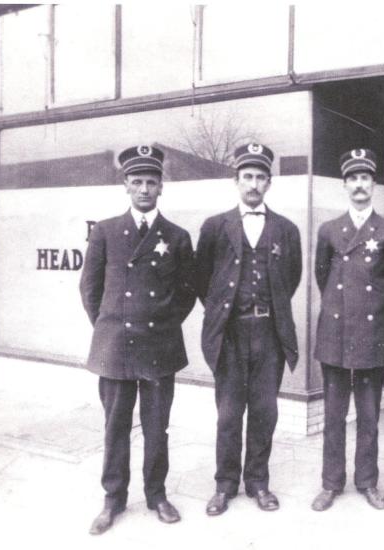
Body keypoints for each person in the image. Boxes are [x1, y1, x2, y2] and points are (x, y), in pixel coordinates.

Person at [80, 145, 196, 535]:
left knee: (156, 426)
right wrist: (114, 324)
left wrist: (158, 323)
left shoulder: (177, 236)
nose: (144, 189)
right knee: (115, 427)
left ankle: (157, 494)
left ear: (161, 187)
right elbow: (90, 289)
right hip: (115, 346)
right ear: (126, 186)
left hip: (159, 346)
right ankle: (113, 499)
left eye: (151, 182)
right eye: (137, 182)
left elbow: (186, 292)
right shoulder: (106, 231)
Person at [194, 143, 302, 515]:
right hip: (230, 334)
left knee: (264, 411)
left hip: (269, 334)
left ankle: (258, 482)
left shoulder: (286, 230)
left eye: (260, 177)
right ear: (236, 181)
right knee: (227, 413)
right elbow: (201, 279)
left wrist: (263, 310)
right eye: (247, 177)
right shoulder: (215, 226)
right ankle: (225, 485)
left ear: (269, 182)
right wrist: (226, 313)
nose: (254, 184)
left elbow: (292, 278)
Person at [311, 149, 384, 512]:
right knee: (333, 415)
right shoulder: (330, 230)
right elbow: (323, 277)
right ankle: (331, 483)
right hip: (335, 334)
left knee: (368, 416)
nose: (360, 185)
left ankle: (367, 482)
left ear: (373, 185)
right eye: (354, 178)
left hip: (372, 335)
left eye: (366, 178)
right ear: (345, 185)